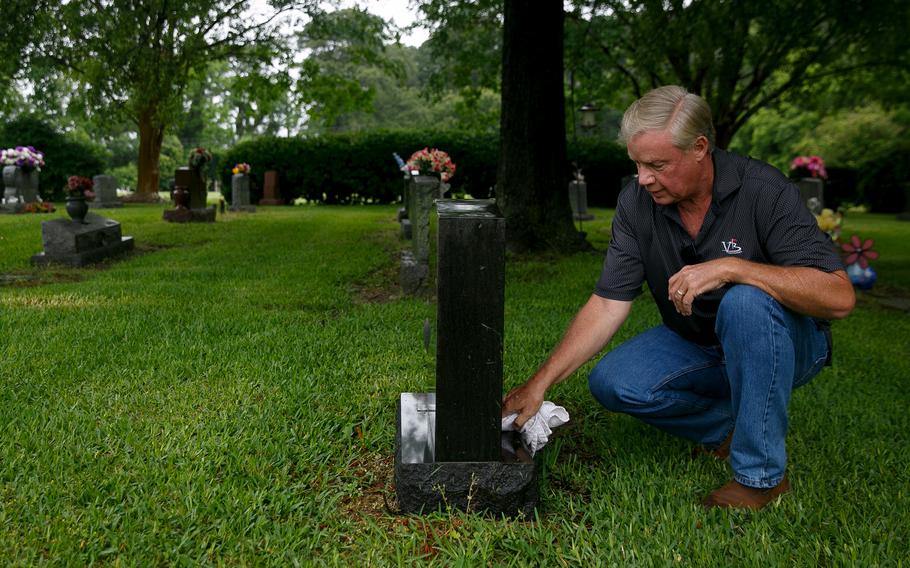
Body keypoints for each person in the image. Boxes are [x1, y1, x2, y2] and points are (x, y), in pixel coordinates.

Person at [502, 85, 855, 509]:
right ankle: (733, 428)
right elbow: (608, 303)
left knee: (745, 301)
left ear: (700, 148)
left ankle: (760, 479)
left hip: (788, 343)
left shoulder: (764, 189)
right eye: (637, 164)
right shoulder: (637, 202)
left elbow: (839, 297)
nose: (644, 178)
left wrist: (733, 267)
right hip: (699, 341)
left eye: (657, 165)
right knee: (614, 382)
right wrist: (538, 384)